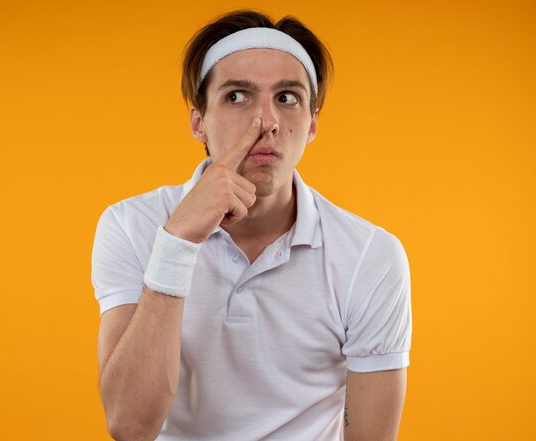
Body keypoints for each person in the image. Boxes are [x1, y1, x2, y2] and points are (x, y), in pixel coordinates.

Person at [92, 10, 412, 441]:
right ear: (198, 121)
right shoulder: (131, 224)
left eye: (287, 97)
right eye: (237, 96)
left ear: (312, 122)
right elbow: (129, 426)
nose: (267, 122)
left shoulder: (370, 254)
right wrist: (177, 243)